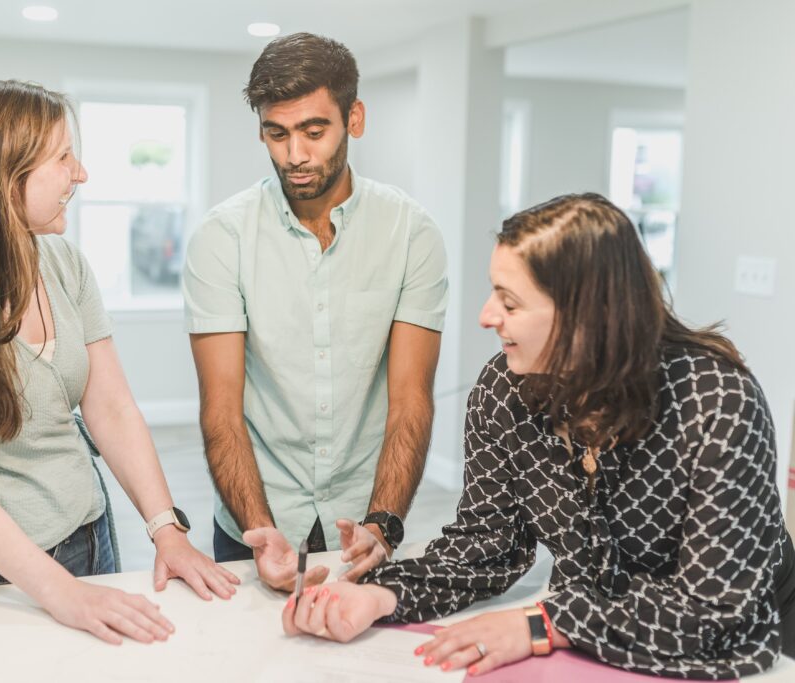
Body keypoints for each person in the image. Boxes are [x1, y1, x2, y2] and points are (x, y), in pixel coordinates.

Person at [282, 193, 795, 679]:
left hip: (753, 644)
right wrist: (380, 596)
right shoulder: (503, 391)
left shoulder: (717, 402)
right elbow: (489, 543)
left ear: (587, 319)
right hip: (590, 643)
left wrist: (542, 624)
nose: (486, 316)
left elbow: (716, 610)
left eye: (510, 302)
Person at [0, 80, 239, 645]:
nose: (79, 174)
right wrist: (62, 592)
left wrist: (166, 530)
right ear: (2, 175)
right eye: (62, 157)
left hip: (94, 535)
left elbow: (112, 407)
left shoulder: (64, 263)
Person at [183, 32, 448, 591]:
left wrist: (384, 520)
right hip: (253, 518)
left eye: (313, 131)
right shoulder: (221, 237)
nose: (295, 155)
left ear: (354, 118)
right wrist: (260, 529)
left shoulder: (411, 232)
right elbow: (222, 410)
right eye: (276, 134)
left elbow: (410, 401)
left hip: (364, 521)